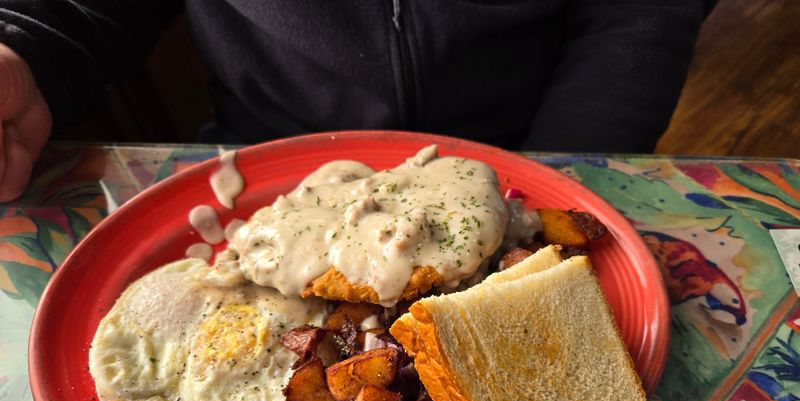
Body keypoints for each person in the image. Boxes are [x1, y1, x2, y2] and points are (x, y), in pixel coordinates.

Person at [0, 0, 715, 203]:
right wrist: (21, 48)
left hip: (526, 155)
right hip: (257, 170)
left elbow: (638, 15)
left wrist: (554, 174)